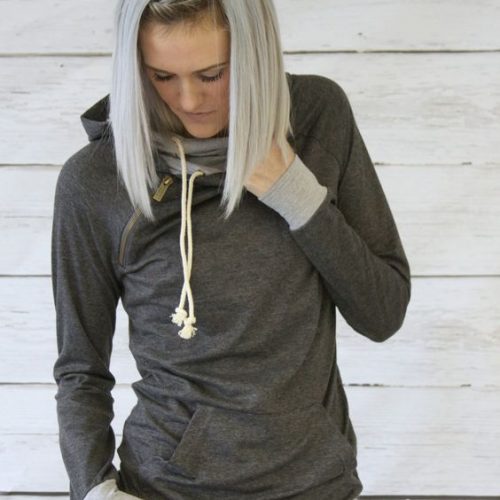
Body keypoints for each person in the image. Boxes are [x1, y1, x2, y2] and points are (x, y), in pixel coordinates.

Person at [51, 0, 412, 499]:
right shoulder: (96, 180)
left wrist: (295, 193)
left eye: (213, 74)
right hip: (166, 488)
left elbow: (383, 313)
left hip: (316, 484)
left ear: (253, 53)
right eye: (161, 76)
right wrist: (95, 490)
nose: (188, 99)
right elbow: (80, 368)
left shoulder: (317, 118)